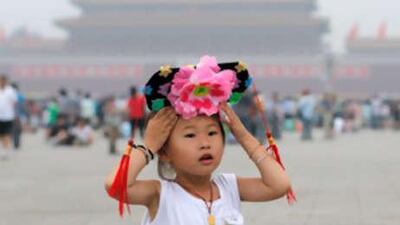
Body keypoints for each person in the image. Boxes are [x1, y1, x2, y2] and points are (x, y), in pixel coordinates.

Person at [104, 56, 291, 225]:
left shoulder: (229, 188)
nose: (205, 143)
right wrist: (149, 145)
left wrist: (242, 134)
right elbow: (115, 186)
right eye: (190, 135)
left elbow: (279, 185)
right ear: (165, 151)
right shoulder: (160, 195)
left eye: (212, 133)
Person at [0, 75, 17, 159]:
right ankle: (3, 149)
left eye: (3, 81)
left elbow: (14, 102)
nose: (2, 82)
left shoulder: (10, 91)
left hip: (8, 116)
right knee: (1, 135)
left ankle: (5, 151)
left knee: (6, 134)